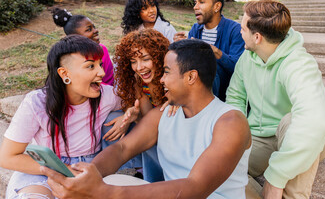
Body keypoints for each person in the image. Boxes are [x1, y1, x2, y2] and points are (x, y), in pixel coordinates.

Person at [41, 39, 252, 199]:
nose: (161, 79)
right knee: (110, 180)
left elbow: (195, 188)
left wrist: (104, 191)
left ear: (191, 77)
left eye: (167, 72)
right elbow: (123, 149)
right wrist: (88, 173)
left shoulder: (230, 121)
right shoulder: (163, 114)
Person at [0, 35, 135, 199]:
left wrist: (129, 114)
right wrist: (61, 168)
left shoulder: (107, 95)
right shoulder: (36, 103)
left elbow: (134, 101)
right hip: (44, 169)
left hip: (91, 167)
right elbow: (7, 157)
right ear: (65, 73)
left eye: (100, 64)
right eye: (91, 66)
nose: (101, 72)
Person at [226, 0, 325, 199]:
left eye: (242, 28)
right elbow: (235, 97)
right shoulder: (246, 58)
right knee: (221, 166)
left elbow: (315, 122)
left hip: (299, 136)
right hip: (260, 138)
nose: (239, 32)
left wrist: (276, 177)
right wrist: (237, 133)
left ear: (257, 37)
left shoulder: (299, 64)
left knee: (292, 121)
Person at [102, 28, 170, 182]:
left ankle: (153, 180)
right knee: (113, 120)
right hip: (152, 127)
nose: (139, 67)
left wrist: (154, 90)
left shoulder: (170, 78)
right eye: (133, 61)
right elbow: (147, 118)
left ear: (159, 57)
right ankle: (126, 171)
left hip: (170, 133)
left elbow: (160, 124)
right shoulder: (139, 80)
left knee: (148, 138)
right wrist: (132, 117)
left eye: (145, 59)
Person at [174, 0, 245, 101]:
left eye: (201, 2)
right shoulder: (196, 29)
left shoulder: (235, 30)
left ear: (217, 6)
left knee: (209, 66)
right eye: (195, 3)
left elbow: (238, 68)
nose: (195, 7)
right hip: (194, 88)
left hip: (224, 93)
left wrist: (214, 51)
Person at [52, 8, 114, 85]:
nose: (96, 30)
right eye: (89, 29)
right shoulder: (72, 58)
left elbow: (108, 78)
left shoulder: (102, 49)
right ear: (75, 37)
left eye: (94, 27)